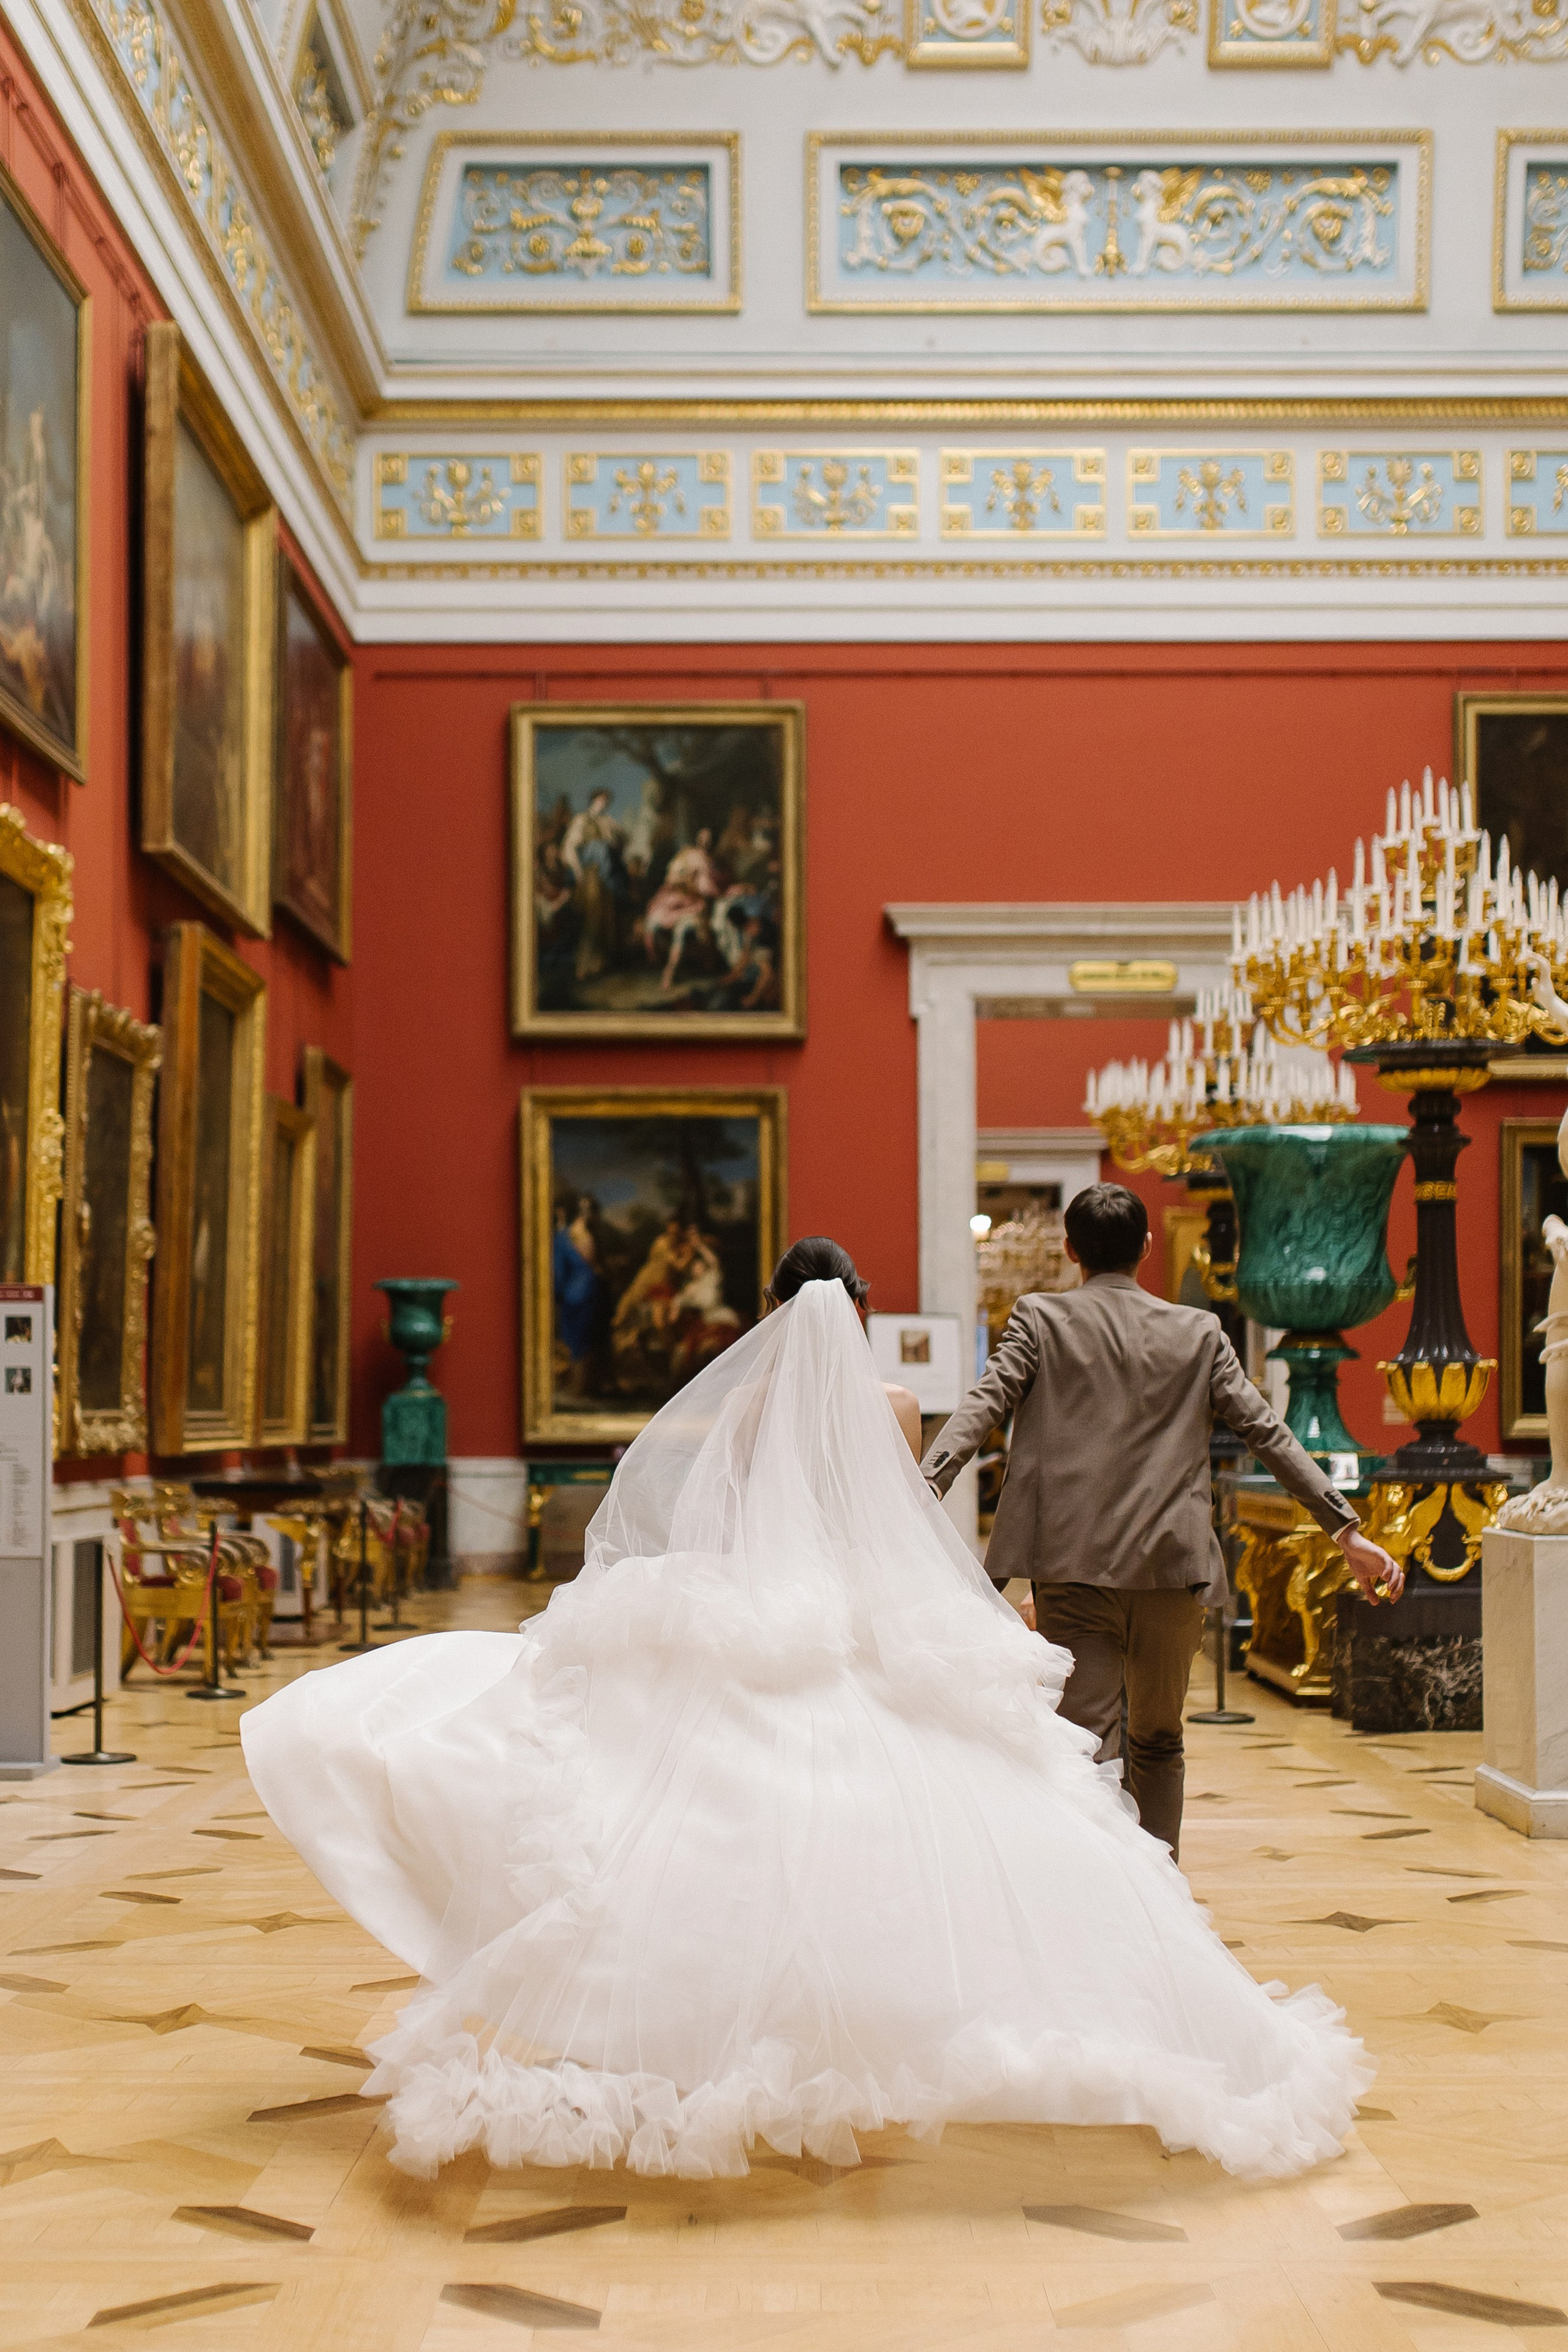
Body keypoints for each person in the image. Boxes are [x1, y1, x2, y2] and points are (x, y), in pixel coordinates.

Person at [242, 1233, 1372, 2186]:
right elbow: (896, 1524)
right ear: (862, 1313)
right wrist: (957, 1615)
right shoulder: (887, 1400)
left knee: (698, 1818)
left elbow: (723, 1529)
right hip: (857, 1620)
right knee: (939, 1821)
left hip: (769, 1612)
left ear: (776, 1314)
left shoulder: (744, 1404)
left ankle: (716, 2019)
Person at [921, 1182, 1403, 1861]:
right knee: (1159, 1740)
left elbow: (983, 1404)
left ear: (1069, 1251)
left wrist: (923, 1485)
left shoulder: (1039, 1319)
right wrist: (1344, 1528)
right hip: (1171, 1572)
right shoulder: (1198, 1331)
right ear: (1147, 1248)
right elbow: (1268, 1431)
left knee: (1083, 1744)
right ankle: (1163, 1894)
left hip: (1074, 1569)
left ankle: (1098, 1899)